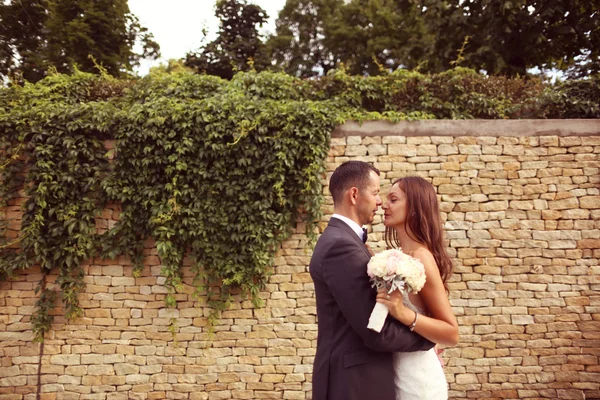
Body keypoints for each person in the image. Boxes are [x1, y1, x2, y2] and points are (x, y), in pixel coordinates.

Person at [309, 161, 435, 400]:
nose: (380, 201)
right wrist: (428, 339)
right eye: (376, 193)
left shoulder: (345, 240)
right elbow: (376, 331)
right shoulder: (341, 246)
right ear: (354, 195)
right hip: (354, 385)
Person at [376, 176, 459, 399]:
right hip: (394, 373)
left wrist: (403, 313)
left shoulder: (422, 258)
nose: (384, 205)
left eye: (393, 199)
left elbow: (451, 333)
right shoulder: (398, 258)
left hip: (417, 382)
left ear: (413, 207)